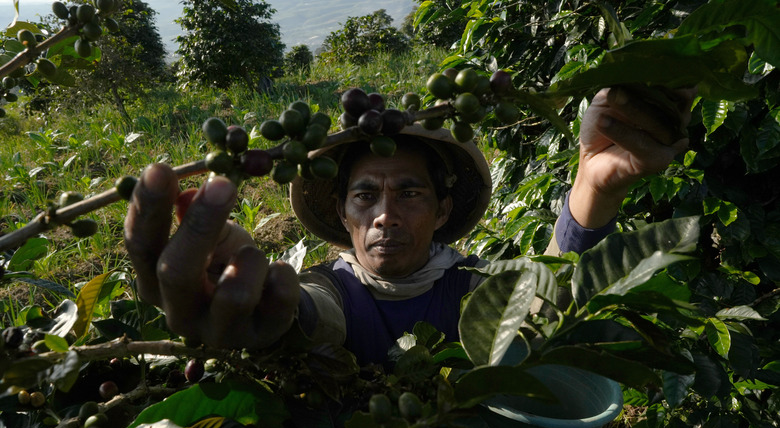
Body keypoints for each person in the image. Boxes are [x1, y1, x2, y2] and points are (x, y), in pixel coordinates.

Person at [123, 86, 694, 365]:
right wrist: (263, 310)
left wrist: (594, 184)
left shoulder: (472, 288)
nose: (386, 215)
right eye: (365, 196)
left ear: (443, 213)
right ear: (342, 216)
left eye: (411, 193)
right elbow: (310, 315)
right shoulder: (332, 290)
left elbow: (548, 300)